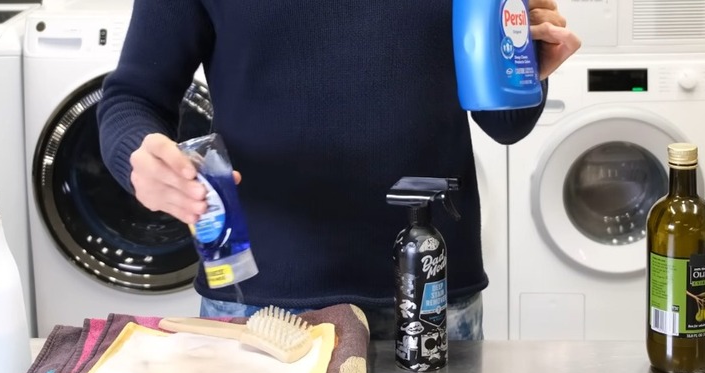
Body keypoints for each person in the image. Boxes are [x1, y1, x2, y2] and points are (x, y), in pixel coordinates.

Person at [97, 0, 580, 341]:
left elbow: (506, 122)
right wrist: (139, 158)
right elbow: (133, 98)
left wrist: (531, 63)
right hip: (258, 303)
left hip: (430, 292)